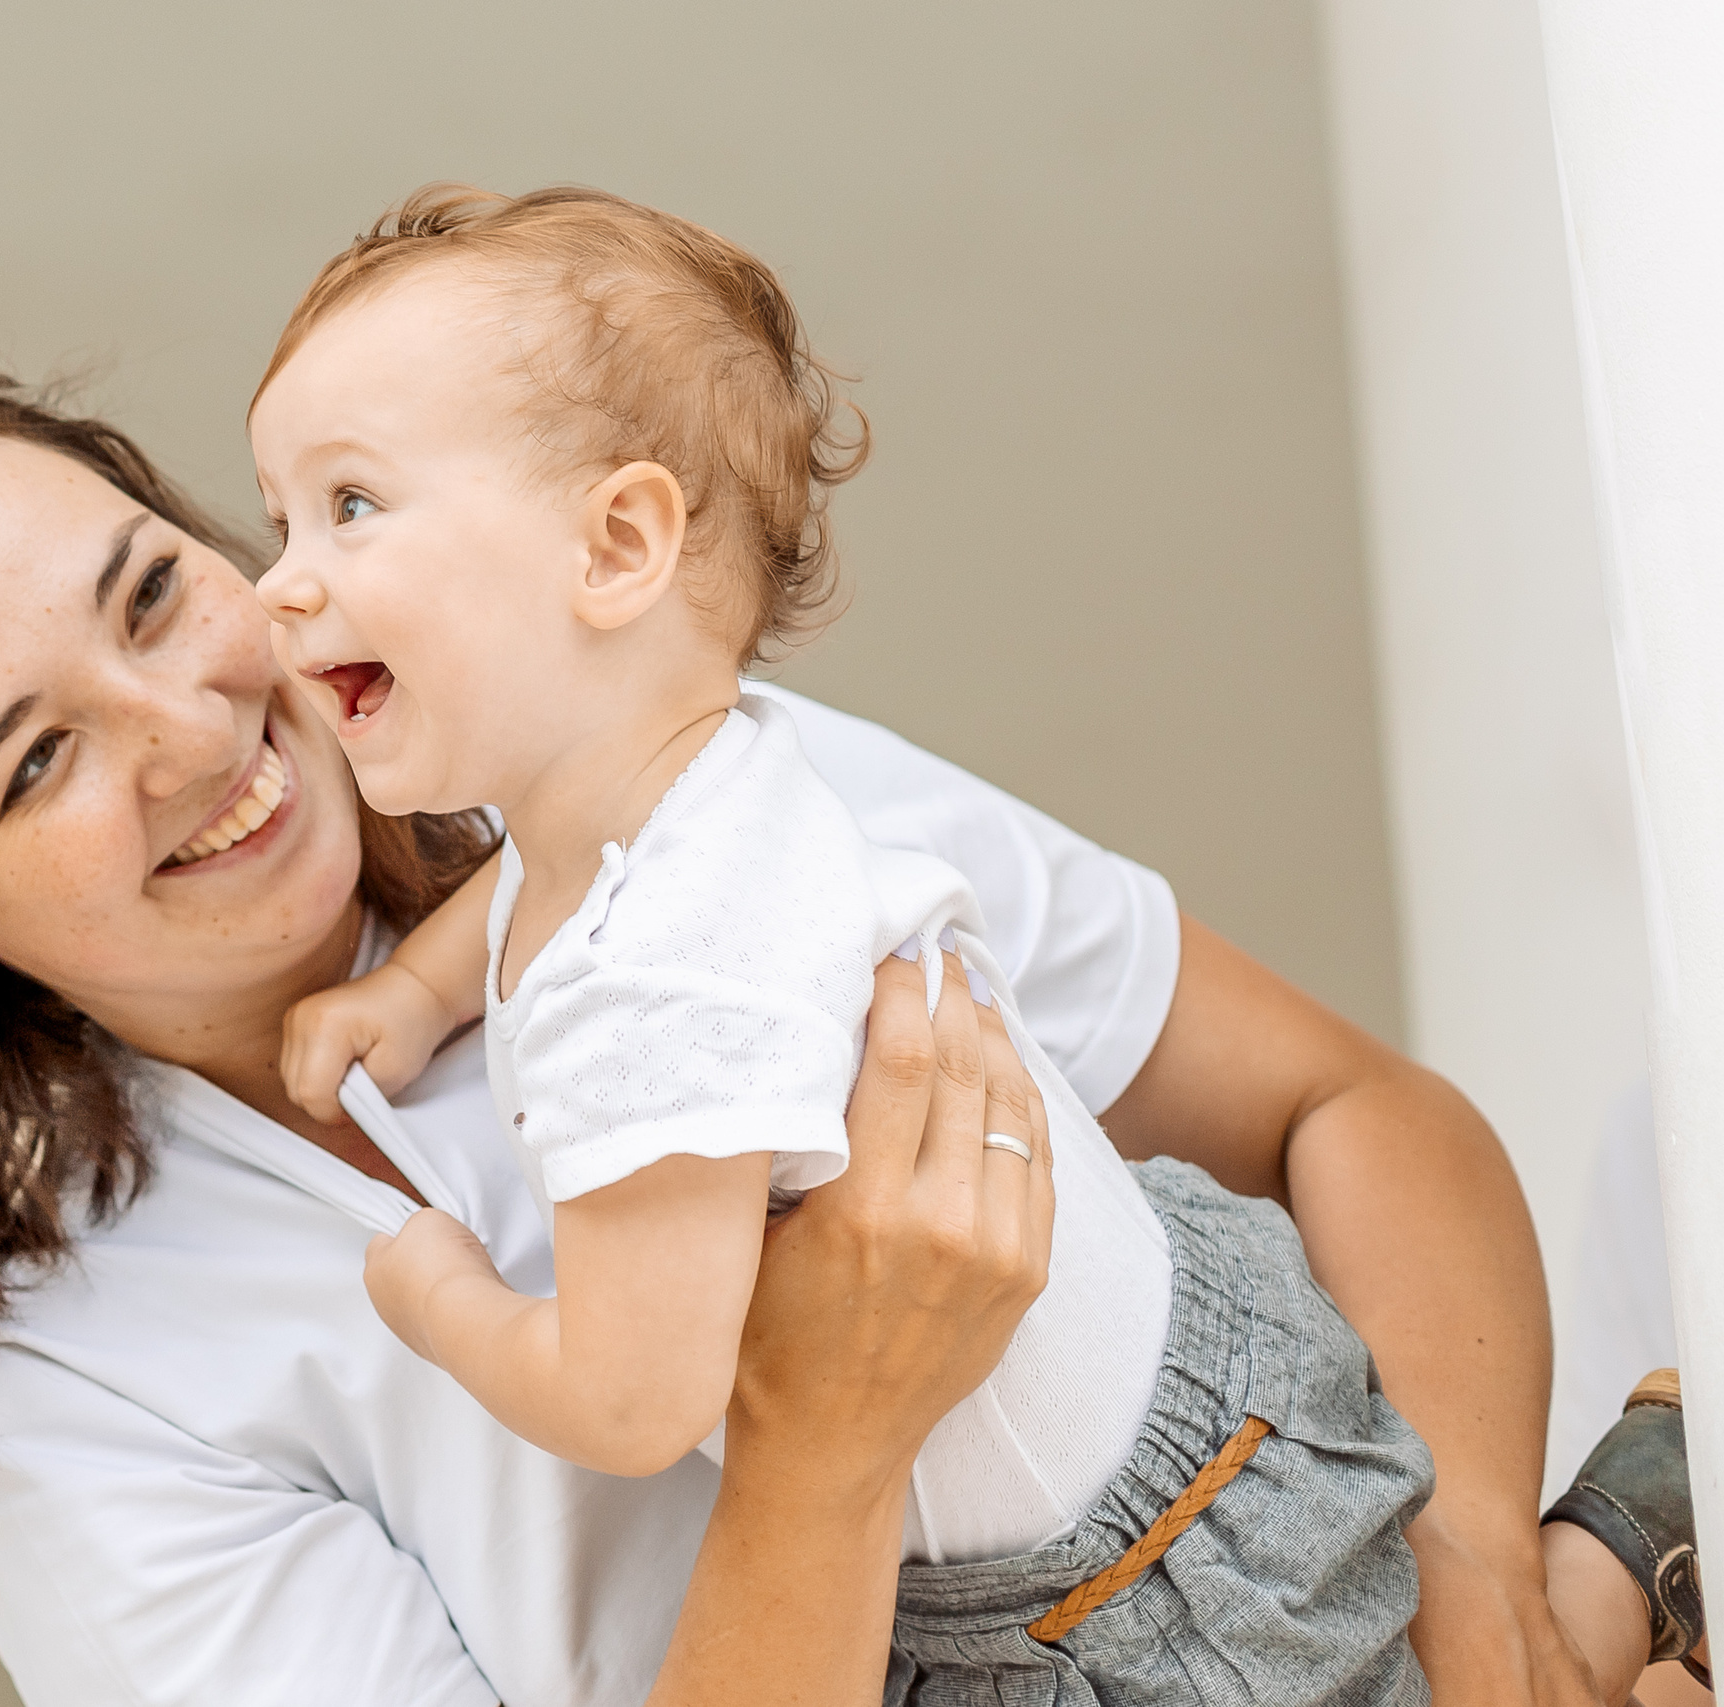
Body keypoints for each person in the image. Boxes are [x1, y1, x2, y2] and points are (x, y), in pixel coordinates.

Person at [0, 343, 1666, 1704]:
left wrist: (1470, 1569)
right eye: (32, 763)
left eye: (154, 592)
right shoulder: (98, 1404)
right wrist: (819, 1449)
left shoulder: (671, 780)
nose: (193, 734)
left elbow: (1347, 1115)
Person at [252, 184, 1700, 1703]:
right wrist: (418, 993)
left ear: (616, 545)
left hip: (1123, 1579)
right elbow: (534, 888)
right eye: (278, 512)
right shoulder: (688, 782)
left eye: (350, 506)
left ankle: (1612, 1591)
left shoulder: (654, 982)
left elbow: (630, 1393)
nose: (279, 578)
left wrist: (441, 1297)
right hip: (1163, 1396)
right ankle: (1627, 1544)